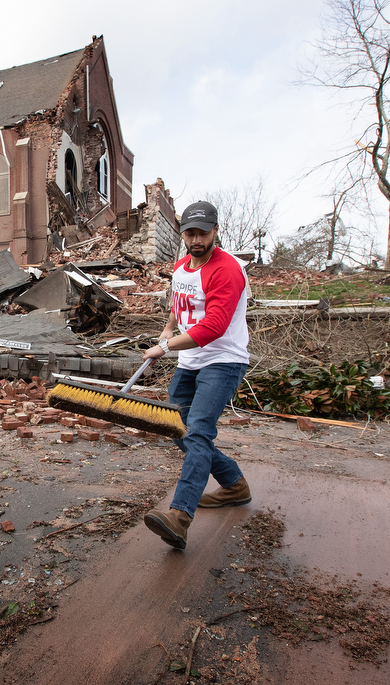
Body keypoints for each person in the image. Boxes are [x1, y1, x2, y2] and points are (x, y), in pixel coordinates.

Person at [141, 200, 253, 550]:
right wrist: (167, 329)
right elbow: (179, 307)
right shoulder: (181, 267)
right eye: (190, 233)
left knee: (199, 433)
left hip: (222, 359)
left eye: (203, 233)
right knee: (178, 429)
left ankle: (180, 516)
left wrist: (167, 346)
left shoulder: (228, 270)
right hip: (190, 361)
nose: (197, 240)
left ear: (215, 231)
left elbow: (215, 326)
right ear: (183, 234)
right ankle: (234, 484)